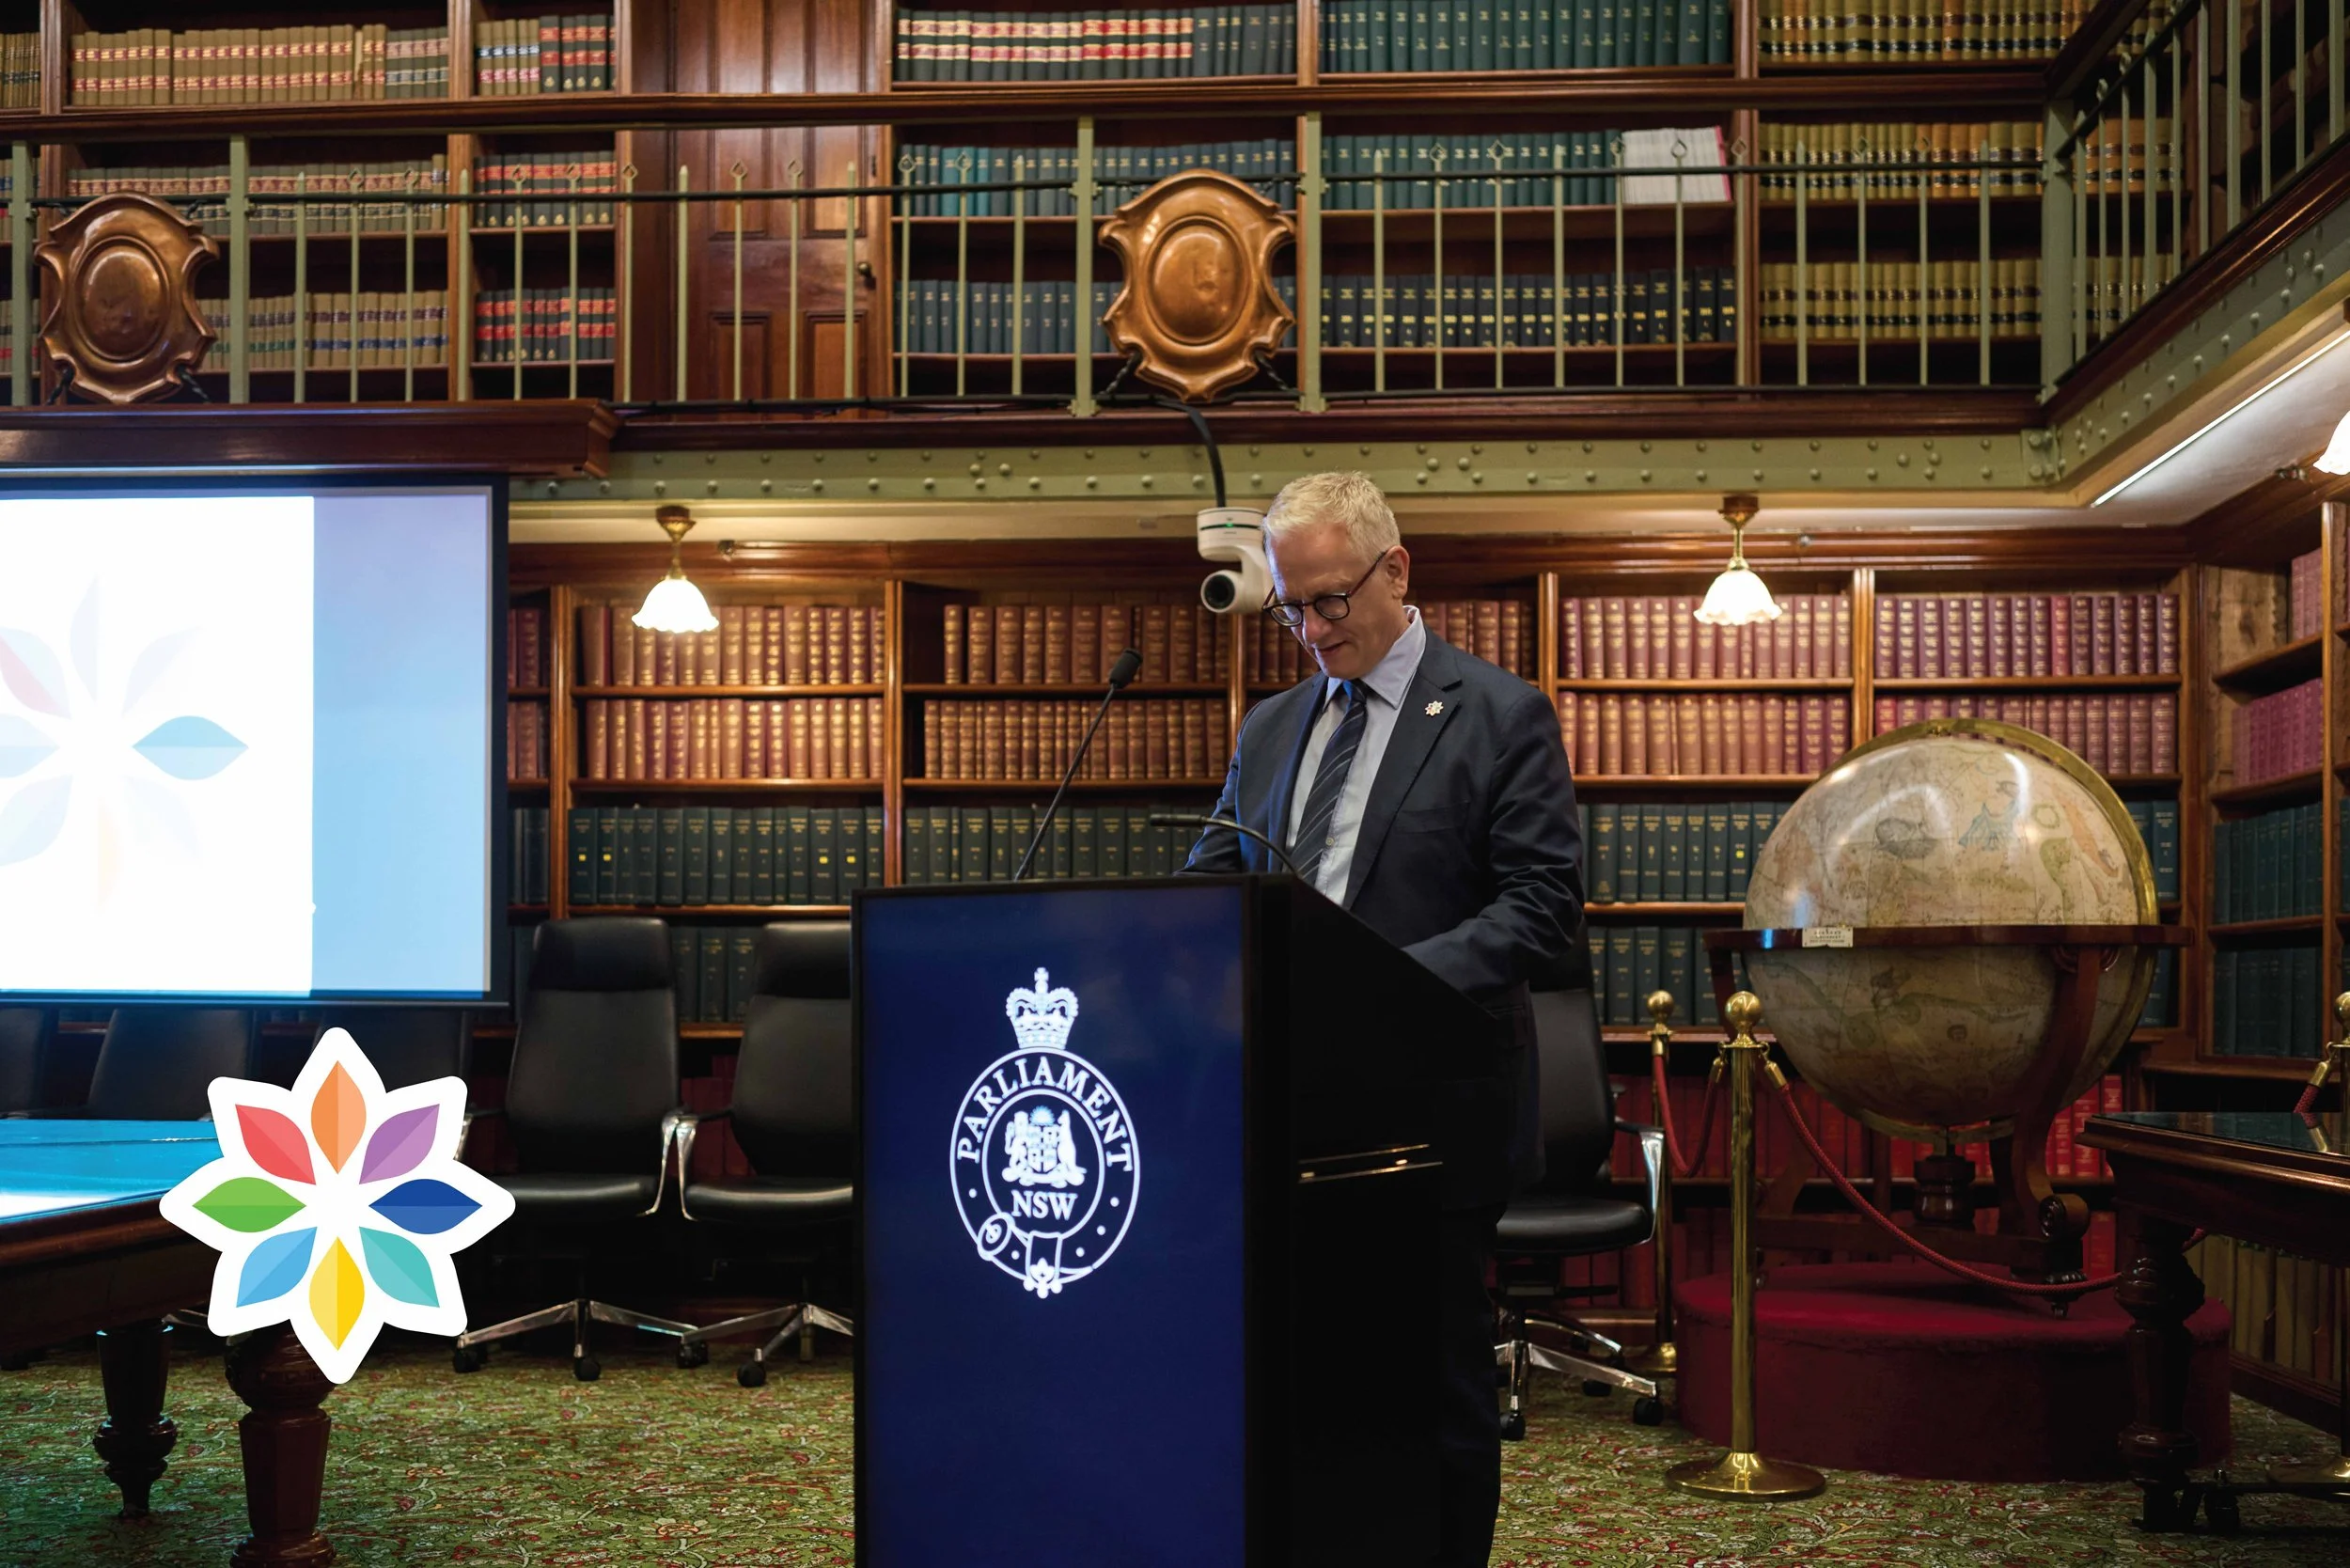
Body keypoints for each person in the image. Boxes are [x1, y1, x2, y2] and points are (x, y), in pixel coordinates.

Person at [1183, 471, 1586, 1566]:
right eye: (1291, 610)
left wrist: (1384, 981)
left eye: (1331, 601)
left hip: (1429, 1108)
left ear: (1395, 570)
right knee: (1297, 1374)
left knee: (1432, 1380)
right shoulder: (1272, 726)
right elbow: (1214, 876)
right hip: (1284, 1108)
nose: (1313, 632)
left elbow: (1541, 905)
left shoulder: (1500, 714)